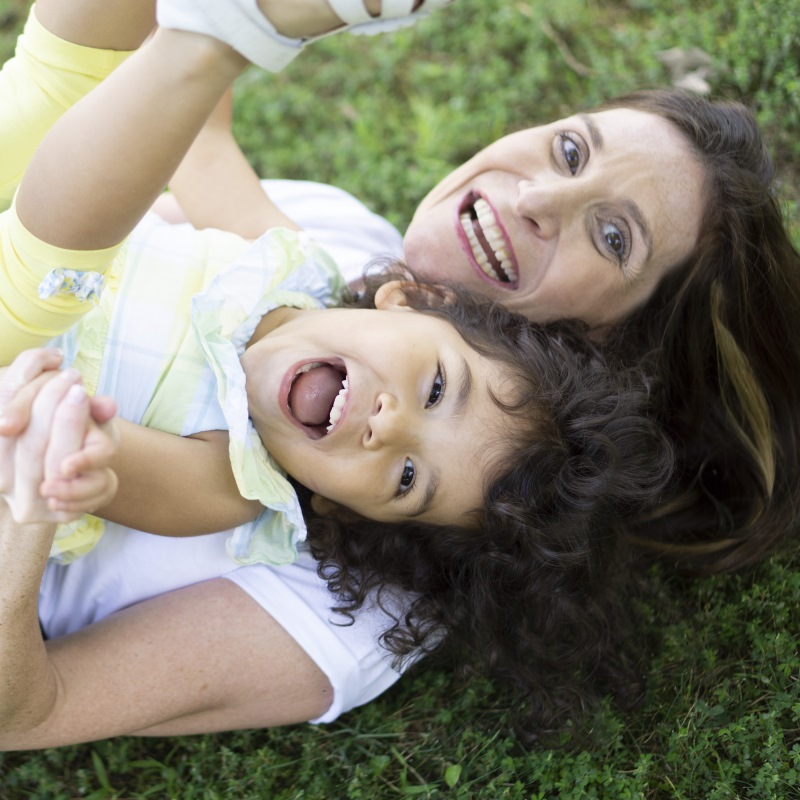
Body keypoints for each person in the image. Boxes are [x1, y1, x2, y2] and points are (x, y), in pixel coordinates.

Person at [0, 0, 676, 748]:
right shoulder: (296, 260)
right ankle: (212, 31)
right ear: (412, 299)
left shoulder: (228, 486)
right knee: (60, 82)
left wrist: (68, 462)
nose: (388, 426)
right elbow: (201, 142)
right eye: (437, 390)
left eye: (408, 477)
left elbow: (85, 450)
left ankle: (219, 37)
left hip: (11, 361)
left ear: (342, 509)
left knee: (49, 280)